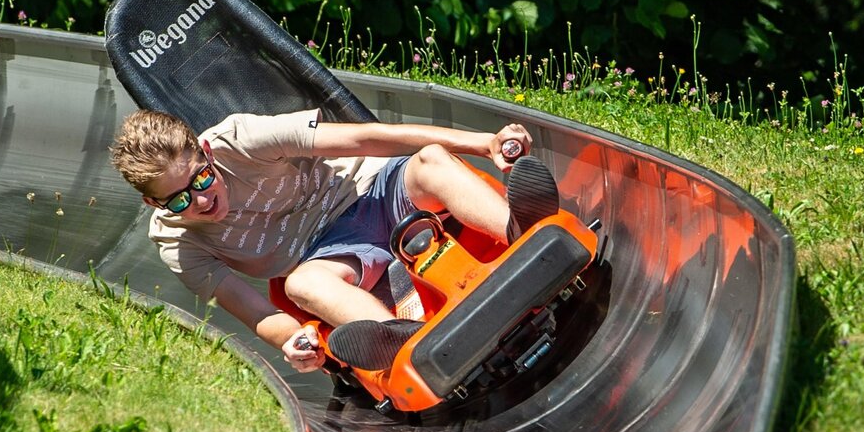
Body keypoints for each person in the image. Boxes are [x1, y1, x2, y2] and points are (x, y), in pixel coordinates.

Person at [109, 108, 556, 373]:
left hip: (372, 191)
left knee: (431, 161)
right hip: (328, 257)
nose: (202, 199)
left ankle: (529, 235)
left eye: (201, 178)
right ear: (153, 203)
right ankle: (411, 347)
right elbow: (256, 313)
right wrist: (292, 340)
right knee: (301, 286)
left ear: (206, 154)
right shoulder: (177, 242)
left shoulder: (239, 140)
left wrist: (483, 143)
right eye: (180, 199)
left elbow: (366, 138)